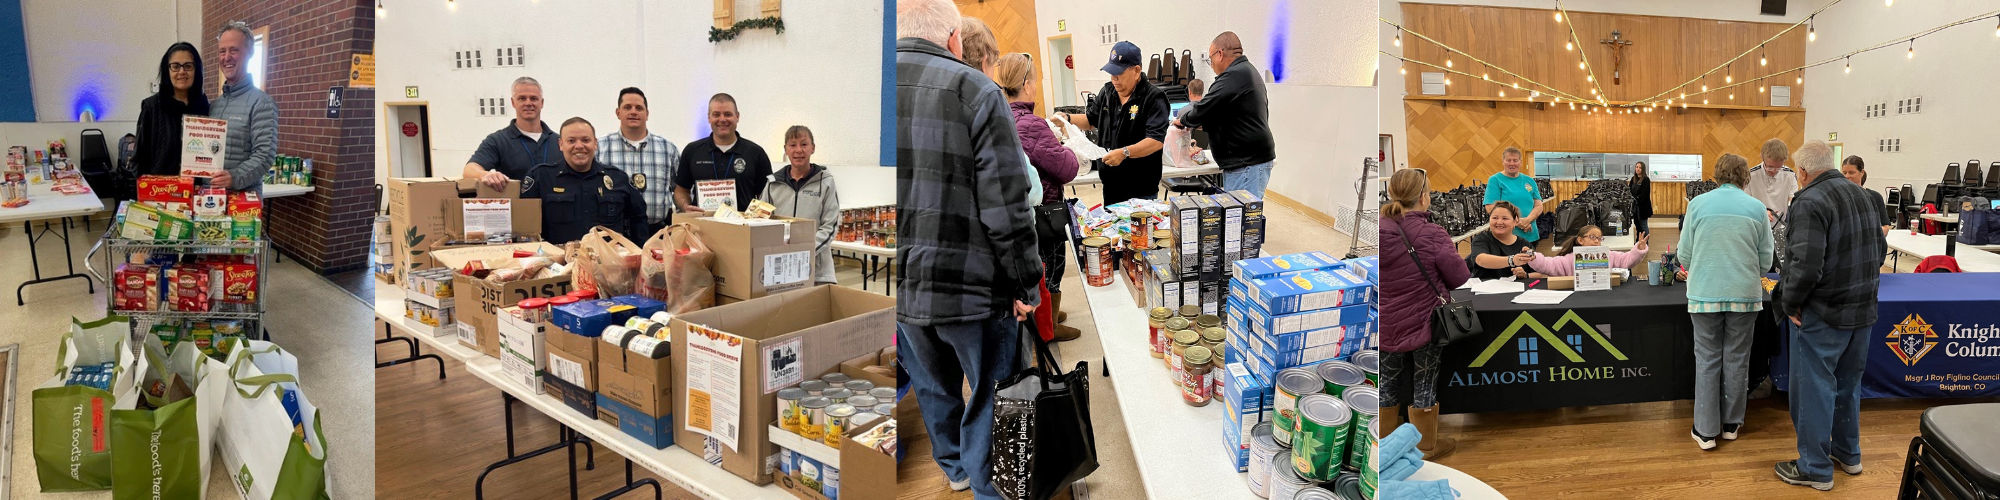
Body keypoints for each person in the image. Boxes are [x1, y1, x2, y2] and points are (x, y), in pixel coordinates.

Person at [896, 1, 1044, 496]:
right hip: (972, 289)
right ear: (955, 37)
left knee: (933, 387)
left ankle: (956, 468)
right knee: (991, 396)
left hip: (899, 288)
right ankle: (989, 489)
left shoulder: (864, 94)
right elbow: (1007, 205)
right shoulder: (975, 90)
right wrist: (1026, 282)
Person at [1774, 140, 1886, 491]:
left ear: (1803, 172)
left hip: (1823, 315)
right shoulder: (1865, 196)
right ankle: (1848, 454)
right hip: (1863, 311)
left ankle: (1815, 468)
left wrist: (1789, 304)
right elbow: (1880, 251)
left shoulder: (1809, 201)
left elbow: (1804, 266)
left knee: (1813, 390)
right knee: (1848, 387)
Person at [1673, 153, 1774, 450]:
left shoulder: (1697, 204)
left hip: (1704, 294)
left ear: (1716, 175)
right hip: (1744, 295)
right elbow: (1766, 261)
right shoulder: (1757, 208)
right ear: (1746, 177)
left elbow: (1684, 256)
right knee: (1737, 359)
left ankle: (1705, 431)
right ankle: (1731, 424)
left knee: (1706, 361)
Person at [1377, 168, 1469, 459]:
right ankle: (1424, 446)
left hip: (1386, 321)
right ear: (1423, 197)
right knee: (1424, 382)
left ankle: (1385, 446)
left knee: (1387, 382)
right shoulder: (1432, 233)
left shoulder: (1379, 228)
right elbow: (1459, 277)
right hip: (1425, 321)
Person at [997, 52, 1082, 342]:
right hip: (1045, 212)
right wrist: (1065, 145)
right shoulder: (1032, 124)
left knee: (1038, 268)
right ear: (1027, 85)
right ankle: (1050, 325)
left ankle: (1049, 316)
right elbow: (1067, 168)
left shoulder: (1002, 117)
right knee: (1052, 266)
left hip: (1018, 211)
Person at [1057, 41, 1169, 206]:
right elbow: (1091, 121)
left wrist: (1124, 153)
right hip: (1111, 186)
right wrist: (1067, 118)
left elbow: (1155, 141)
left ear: (1136, 70)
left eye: (1119, 73)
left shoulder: (1153, 98)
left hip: (1141, 189)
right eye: (1111, 73)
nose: (1114, 79)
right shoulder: (1107, 92)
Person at [1174, 31, 1276, 197]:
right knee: (1237, 217)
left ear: (1219, 54)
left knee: (1240, 218)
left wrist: (1183, 120)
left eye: (1210, 59)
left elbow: (1203, 108)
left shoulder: (1234, 75)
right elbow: (1230, 116)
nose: (1211, 64)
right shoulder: (1245, 71)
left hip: (1247, 164)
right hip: (1248, 162)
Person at [520, 118, 648, 245]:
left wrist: (639, 254)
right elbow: (525, 227)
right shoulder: (541, 177)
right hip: (559, 262)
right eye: (571, 141)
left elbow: (638, 216)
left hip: (607, 262)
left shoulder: (617, 178)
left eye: (586, 140)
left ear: (595, 143)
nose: (579, 146)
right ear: (561, 144)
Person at [758, 126, 840, 286]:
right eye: (792, 145)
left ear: (813, 148)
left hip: (817, 272)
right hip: (780, 268)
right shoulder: (772, 184)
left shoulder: (826, 182)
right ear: (785, 150)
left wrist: (806, 251)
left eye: (804, 144)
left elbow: (830, 226)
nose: (798, 150)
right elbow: (760, 221)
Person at [597, 87, 680, 236]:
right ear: (618, 113)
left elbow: (681, 190)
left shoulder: (668, 149)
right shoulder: (600, 147)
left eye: (639, 108)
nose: (633, 112)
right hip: (614, 234)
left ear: (647, 114)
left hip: (658, 232)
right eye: (627, 107)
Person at [674, 93, 773, 213]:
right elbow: (681, 191)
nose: (722, 119)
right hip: (702, 227)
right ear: (709, 117)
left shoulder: (756, 153)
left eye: (728, 114)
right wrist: (685, 206)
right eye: (716, 114)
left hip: (742, 229)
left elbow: (767, 195)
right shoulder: (692, 150)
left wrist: (753, 218)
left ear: (737, 116)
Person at [208, 22, 275, 192]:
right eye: (222, 51)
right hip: (210, 200)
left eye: (234, 50)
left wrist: (234, 177)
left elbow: (265, 155)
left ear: (250, 52)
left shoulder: (262, 103)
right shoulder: (214, 105)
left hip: (242, 206)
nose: (227, 57)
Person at [132, 42, 211, 179]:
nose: (182, 71)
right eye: (175, 66)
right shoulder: (151, 107)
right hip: (160, 193)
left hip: (196, 192)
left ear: (196, 70)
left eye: (188, 66)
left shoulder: (203, 105)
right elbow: (139, 159)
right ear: (167, 70)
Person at [465, 77, 559, 191]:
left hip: (557, 208)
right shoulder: (498, 141)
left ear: (542, 103)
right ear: (513, 102)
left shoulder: (560, 142)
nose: (528, 103)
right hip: (518, 208)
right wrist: (484, 175)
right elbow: (469, 169)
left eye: (533, 98)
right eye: (522, 98)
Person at [1522, 226, 1649, 277]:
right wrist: (1534, 257)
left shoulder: (1608, 255)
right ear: (1580, 240)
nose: (1596, 241)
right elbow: (1550, 264)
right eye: (1592, 237)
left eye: (1599, 238)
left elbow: (1626, 260)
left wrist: (1639, 248)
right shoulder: (1569, 259)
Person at [1465, 202, 1544, 281]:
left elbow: (1539, 273)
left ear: (1515, 221)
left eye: (1505, 218)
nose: (1499, 222)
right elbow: (1481, 260)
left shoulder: (1524, 244)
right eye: (1495, 218)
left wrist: (1525, 275)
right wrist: (1512, 260)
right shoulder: (1481, 239)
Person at [1483, 147, 1543, 244]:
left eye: (1515, 160)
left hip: (1530, 235)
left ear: (1520, 162)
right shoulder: (1495, 180)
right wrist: (1518, 222)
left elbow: (1538, 205)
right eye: (1508, 160)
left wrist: (1528, 220)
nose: (1512, 164)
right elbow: (1490, 207)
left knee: (1531, 259)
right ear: (1503, 162)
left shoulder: (1529, 181)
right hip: (1507, 237)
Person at [1747, 138, 1799, 219]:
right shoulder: (1750, 175)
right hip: (1756, 221)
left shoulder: (1790, 174)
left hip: (1781, 224)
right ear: (1762, 158)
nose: (1774, 172)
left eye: (1778, 168)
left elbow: (1792, 200)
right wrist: (1761, 212)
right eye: (1770, 167)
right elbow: (1746, 202)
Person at [1840, 155, 1893, 235]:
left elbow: (1885, 228)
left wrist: (1868, 232)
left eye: (1851, 172)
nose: (1847, 176)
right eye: (1844, 173)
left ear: (1862, 173)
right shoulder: (1838, 196)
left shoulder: (1875, 197)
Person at [1631, 161, 1653, 233]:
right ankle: (1639, 241)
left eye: (1640, 168)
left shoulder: (1646, 180)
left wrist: (1636, 199)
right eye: (1637, 167)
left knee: (1643, 225)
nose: (1638, 169)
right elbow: (1629, 191)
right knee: (1637, 225)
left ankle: (1645, 242)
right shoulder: (1633, 179)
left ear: (1643, 169)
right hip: (1635, 207)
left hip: (1643, 208)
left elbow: (1644, 194)